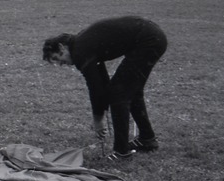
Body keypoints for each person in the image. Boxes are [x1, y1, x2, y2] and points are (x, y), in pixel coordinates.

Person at [42, 16, 168, 160]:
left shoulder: (80, 51)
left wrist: (98, 119)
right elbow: (101, 82)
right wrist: (103, 108)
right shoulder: (81, 44)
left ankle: (121, 152)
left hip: (149, 40)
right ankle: (147, 140)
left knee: (119, 94)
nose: (62, 64)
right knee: (130, 91)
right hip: (152, 36)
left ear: (61, 47)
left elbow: (95, 87)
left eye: (58, 59)